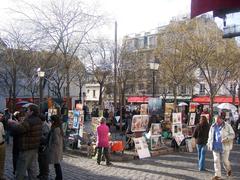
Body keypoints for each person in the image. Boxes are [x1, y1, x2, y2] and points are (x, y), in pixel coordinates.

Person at [8, 104, 43, 180]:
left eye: (28, 110)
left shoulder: (29, 121)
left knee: (21, 170)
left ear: (32, 112)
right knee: (32, 170)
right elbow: (25, 128)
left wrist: (12, 123)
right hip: (34, 148)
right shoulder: (38, 120)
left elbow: (18, 129)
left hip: (26, 148)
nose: (26, 112)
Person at [207, 112, 235, 180]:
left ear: (221, 119)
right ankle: (218, 175)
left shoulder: (227, 126)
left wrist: (226, 138)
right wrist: (208, 143)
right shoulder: (213, 126)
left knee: (225, 161)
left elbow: (233, 135)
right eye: (215, 121)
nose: (216, 122)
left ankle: (228, 170)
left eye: (217, 121)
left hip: (225, 147)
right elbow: (210, 136)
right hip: (215, 146)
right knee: (216, 161)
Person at [48, 115, 63, 180]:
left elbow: (56, 140)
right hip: (57, 149)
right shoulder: (58, 127)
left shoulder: (56, 129)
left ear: (53, 121)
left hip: (55, 149)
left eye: (51, 120)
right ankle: (58, 177)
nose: (50, 121)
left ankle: (59, 178)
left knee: (56, 164)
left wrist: (51, 146)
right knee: (56, 164)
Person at [38, 114, 51, 180]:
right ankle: (41, 173)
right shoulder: (42, 125)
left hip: (44, 147)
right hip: (41, 146)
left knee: (44, 162)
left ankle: (45, 175)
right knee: (40, 161)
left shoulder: (45, 125)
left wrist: (39, 135)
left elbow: (46, 138)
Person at [0, 113, 6, 180]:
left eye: (1, 116)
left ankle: (1, 176)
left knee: (2, 161)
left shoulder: (1, 124)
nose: (1, 117)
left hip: (2, 144)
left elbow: (3, 134)